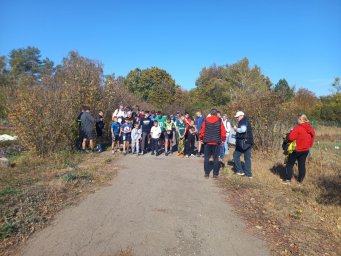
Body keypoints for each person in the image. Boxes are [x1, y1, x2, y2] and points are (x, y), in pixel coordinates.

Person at [283, 114, 315, 184]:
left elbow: (291, 138)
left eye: (298, 119)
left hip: (296, 150)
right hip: (306, 149)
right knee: (302, 165)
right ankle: (300, 181)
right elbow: (312, 136)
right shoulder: (310, 128)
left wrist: (291, 131)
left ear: (301, 120)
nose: (297, 120)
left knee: (289, 164)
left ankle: (288, 180)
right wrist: (309, 145)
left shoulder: (297, 128)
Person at [200, 108, 226, 178]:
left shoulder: (206, 120)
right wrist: (223, 139)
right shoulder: (219, 121)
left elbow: (202, 131)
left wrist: (201, 138)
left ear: (211, 113)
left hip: (207, 142)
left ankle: (206, 173)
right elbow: (223, 132)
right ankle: (215, 174)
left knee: (206, 158)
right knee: (216, 158)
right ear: (216, 114)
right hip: (216, 142)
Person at [233, 111, 254, 178]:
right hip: (248, 142)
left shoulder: (243, 121)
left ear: (242, 115)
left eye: (238, 117)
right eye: (236, 117)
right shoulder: (245, 120)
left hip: (243, 142)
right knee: (247, 158)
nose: (237, 118)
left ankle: (240, 171)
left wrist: (236, 129)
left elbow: (243, 130)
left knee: (236, 155)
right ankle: (248, 174)